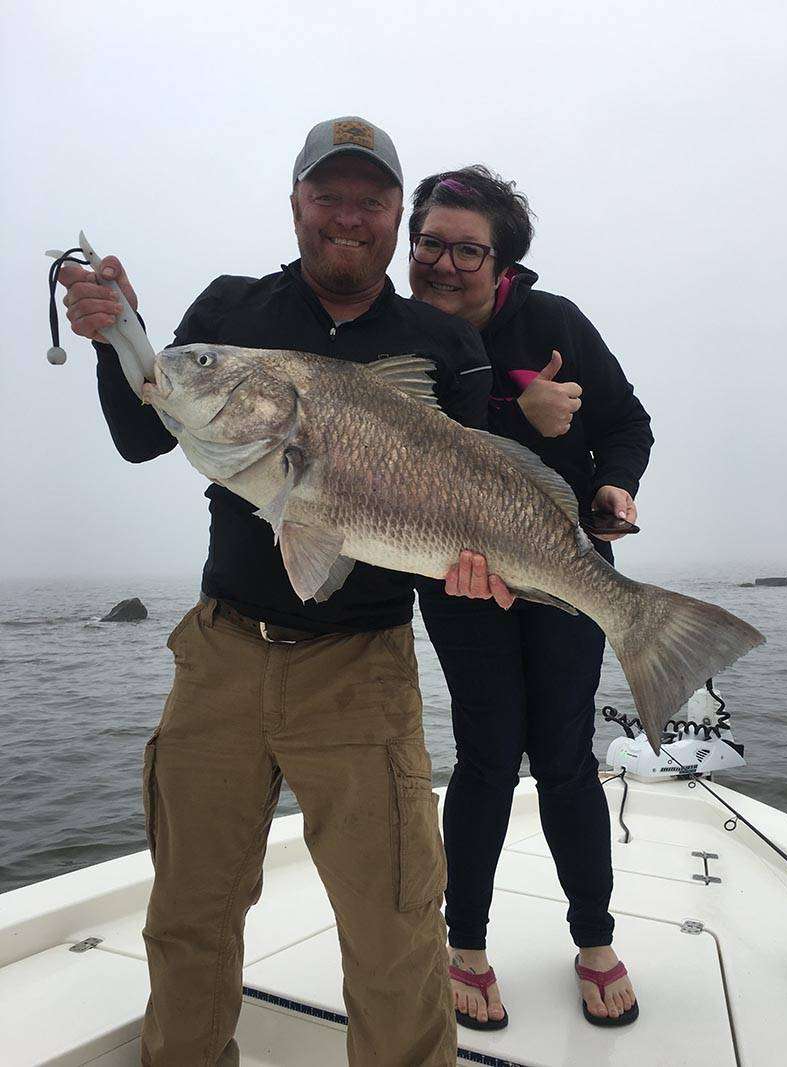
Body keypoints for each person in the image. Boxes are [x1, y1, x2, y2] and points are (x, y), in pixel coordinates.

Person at [57, 119, 493, 1067]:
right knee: (189, 914)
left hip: (364, 671)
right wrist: (114, 342)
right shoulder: (234, 311)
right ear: (295, 202)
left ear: (395, 215)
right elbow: (145, 433)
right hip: (219, 657)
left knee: (394, 929)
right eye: (327, 195)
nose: (348, 216)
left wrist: (487, 575)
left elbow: (464, 501)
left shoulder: (443, 343)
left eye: (370, 200)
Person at [409, 167, 654, 1030]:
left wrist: (615, 488)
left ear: (500, 257)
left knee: (564, 754)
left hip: (566, 564)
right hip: (457, 573)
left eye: (466, 249)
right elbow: (419, 444)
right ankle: (466, 946)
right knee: (484, 756)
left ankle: (593, 938)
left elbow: (627, 421)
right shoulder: (402, 336)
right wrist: (525, 407)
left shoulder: (555, 323)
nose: (443, 263)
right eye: (430, 241)